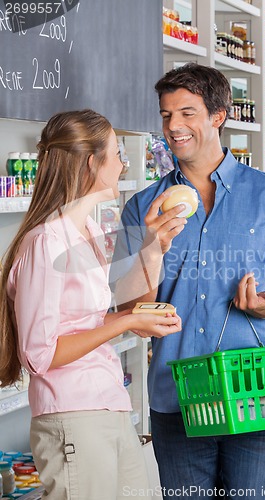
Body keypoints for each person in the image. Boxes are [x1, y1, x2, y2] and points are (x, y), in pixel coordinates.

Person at [111, 64, 265, 500]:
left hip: (255, 395)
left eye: (187, 113)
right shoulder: (143, 206)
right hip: (177, 398)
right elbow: (130, 312)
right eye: (167, 115)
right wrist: (153, 247)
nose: (174, 126)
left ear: (218, 116)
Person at [0, 109, 182, 500]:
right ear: (91, 162)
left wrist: (153, 252)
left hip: (108, 403)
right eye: (117, 154)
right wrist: (125, 321)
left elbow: (92, 319)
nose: (123, 164)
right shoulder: (46, 242)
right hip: (72, 415)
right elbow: (39, 354)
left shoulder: (90, 231)